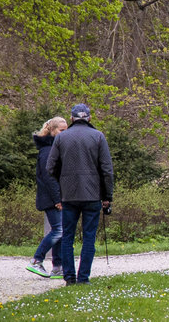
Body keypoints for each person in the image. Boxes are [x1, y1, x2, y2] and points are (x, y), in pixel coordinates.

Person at [46, 103, 113, 286]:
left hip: (69, 195)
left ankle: (69, 278)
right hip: (92, 195)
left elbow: (50, 167)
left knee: (68, 236)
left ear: (72, 118)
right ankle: (84, 278)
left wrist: (63, 180)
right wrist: (107, 197)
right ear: (89, 118)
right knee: (89, 237)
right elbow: (107, 170)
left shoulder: (61, 138)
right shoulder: (98, 137)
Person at [26, 116, 67, 279]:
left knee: (60, 230)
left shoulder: (55, 148)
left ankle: (57, 267)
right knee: (59, 230)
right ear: (52, 130)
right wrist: (58, 199)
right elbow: (49, 177)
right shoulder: (47, 151)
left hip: (55, 197)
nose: (65, 133)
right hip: (51, 198)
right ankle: (37, 260)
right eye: (61, 130)